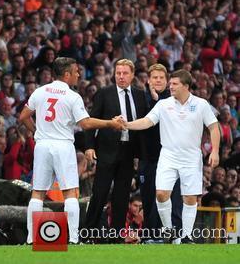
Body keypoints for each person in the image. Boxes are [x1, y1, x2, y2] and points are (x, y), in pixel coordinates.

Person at [19, 57, 124, 244]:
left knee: (38, 193)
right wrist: (110, 123)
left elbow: (24, 116)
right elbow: (85, 123)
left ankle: (30, 239)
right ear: (66, 74)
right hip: (63, 146)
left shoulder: (40, 91)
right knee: (70, 193)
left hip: (42, 145)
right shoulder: (72, 96)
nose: (78, 74)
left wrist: (37, 131)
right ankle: (74, 239)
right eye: (76, 71)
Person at [125, 69, 220, 243]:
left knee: (189, 197)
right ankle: (168, 231)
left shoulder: (201, 104)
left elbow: (214, 127)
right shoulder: (163, 104)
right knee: (161, 194)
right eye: (171, 84)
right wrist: (127, 125)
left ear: (186, 86)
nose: (171, 86)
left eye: (174, 84)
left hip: (191, 156)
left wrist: (215, 151)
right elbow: (147, 121)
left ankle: (187, 235)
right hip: (168, 155)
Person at [84, 58, 147, 243]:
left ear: (132, 75)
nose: (121, 76)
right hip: (106, 151)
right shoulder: (104, 93)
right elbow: (91, 121)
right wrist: (89, 146)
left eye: (125, 73)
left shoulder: (140, 95)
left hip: (128, 153)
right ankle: (88, 234)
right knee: (100, 194)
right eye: (118, 73)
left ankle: (117, 238)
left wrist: (140, 153)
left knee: (121, 196)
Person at [139, 64, 182, 242]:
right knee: (149, 198)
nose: (157, 80)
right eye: (154, 77)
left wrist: (157, 100)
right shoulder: (141, 99)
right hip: (147, 158)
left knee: (172, 199)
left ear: (167, 81)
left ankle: (176, 236)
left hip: (170, 158)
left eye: (161, 78)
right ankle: (151, 236)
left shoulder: (175, 100)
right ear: (148, 80)